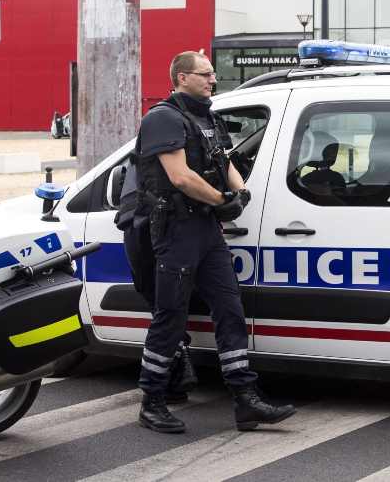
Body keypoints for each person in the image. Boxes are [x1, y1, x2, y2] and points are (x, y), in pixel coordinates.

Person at [134, 51, 296, 433]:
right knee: (171, 316)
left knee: (229, 308)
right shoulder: (162, 118)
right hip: (176, 231)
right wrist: (222, 201)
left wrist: (241, 193)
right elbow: (180, 177)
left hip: (206, 230)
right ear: (182, 76)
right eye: (206, 74)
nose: (212, 80)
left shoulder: (207, 116)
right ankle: (152, 401)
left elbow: (224, 161)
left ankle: (245, 399)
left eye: (211, 74)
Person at [116, 165, 198, 405]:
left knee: (163, 305)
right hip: (149, 223)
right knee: (166, 304)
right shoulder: (181, 136)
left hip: (148, 225)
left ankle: (165, 383)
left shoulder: (162, 137)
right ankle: (174, 375)